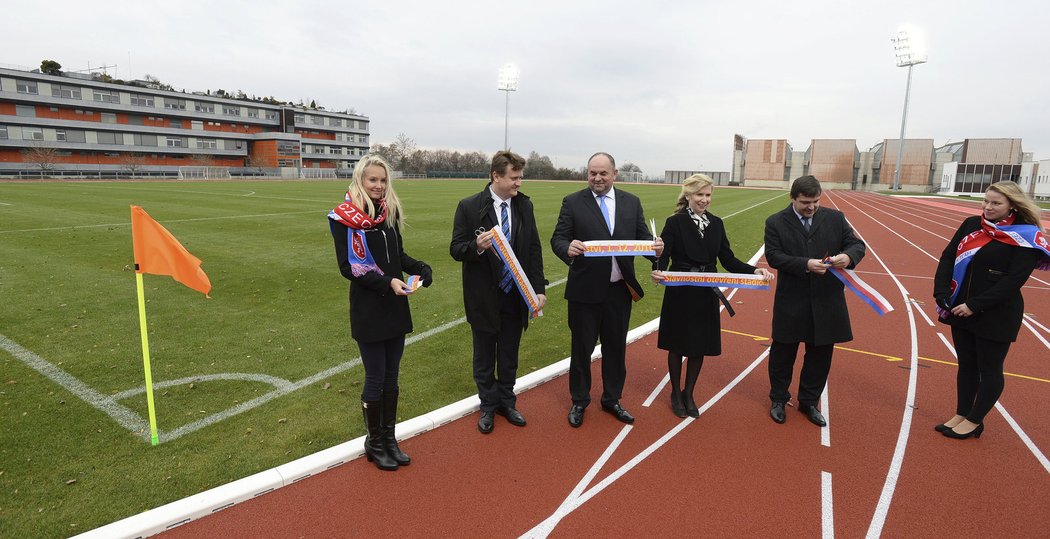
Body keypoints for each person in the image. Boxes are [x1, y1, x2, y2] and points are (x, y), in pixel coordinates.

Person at [328, 154, 432, 471]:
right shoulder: (343, 218)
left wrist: (420, 268)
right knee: (375, 377)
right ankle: (374, 443)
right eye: (373, 179)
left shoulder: (389, 213)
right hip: (369, 309)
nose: (379, 185)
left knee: (392, 377)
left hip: (394, 305)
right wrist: (388, 282)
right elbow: (349, 268)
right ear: (360, 180)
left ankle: (389, 438)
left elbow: (397, 255)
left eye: (383, 180)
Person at [551, 151, 664, 428]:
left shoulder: (631, 202)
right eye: (592, 173)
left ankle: (612, 399)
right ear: (587, 174)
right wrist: (567, 248)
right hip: (584, 291)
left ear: (614, 174)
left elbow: (642, 240)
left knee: (615, 350)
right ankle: (579, 400)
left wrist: (656, 249)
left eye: (603, 173)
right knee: (582, 350)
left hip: (618, 291)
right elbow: (558, 238)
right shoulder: (573, 202)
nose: (597, 178)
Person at [933, 181, 1049, 440]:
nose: (988, 207)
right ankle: (962, 413)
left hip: (996, 312)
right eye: (986, 201)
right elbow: (948, 256)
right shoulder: (971, 225)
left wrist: (975, 305)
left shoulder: (1026, 236)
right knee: (966, 365)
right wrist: (941, 292)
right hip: (960, 307)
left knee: (990, 368)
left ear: (1012, 205)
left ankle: (975, 420)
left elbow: (1013, 281)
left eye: (996, 203)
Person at [651, 174, 774, 418]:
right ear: (687, 195)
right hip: (681, 290)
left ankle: (689, 392)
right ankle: (675, 392)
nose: (704, 200)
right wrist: (657, 266)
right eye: (699, 195)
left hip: (706, 291)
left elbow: (727, 260)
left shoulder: (717, 223)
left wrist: (755, 270)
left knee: (699, 346)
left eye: (708, 195)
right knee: (677, 345)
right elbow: (664, 256)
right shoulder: (674, 222)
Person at [450, 150, 548, 434]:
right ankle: (488, 406)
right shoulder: (469, 207)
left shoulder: (524, 206)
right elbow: (456, 249)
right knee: (483, 356)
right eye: (514, 178)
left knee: (509, 354)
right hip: (483, 297)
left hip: (515, 296)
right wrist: (477, 246)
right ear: (496, 176)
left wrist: (537, 289)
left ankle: (507, 402)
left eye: (520, 177)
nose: (519, 183)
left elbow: (533, 250)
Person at [764, 175, 865, 427]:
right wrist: (805, 264)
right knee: (783, 352)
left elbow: (857, 244)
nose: (811, 207)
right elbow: (774, 256)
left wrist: (847, 257)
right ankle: (778, 398)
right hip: (792, 299)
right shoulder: (775, 222)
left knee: (820, 355)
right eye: (805, 202)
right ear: (793, 198)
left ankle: (809, 402)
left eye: (816, 201)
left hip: (826, 299)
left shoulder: (835, 218)